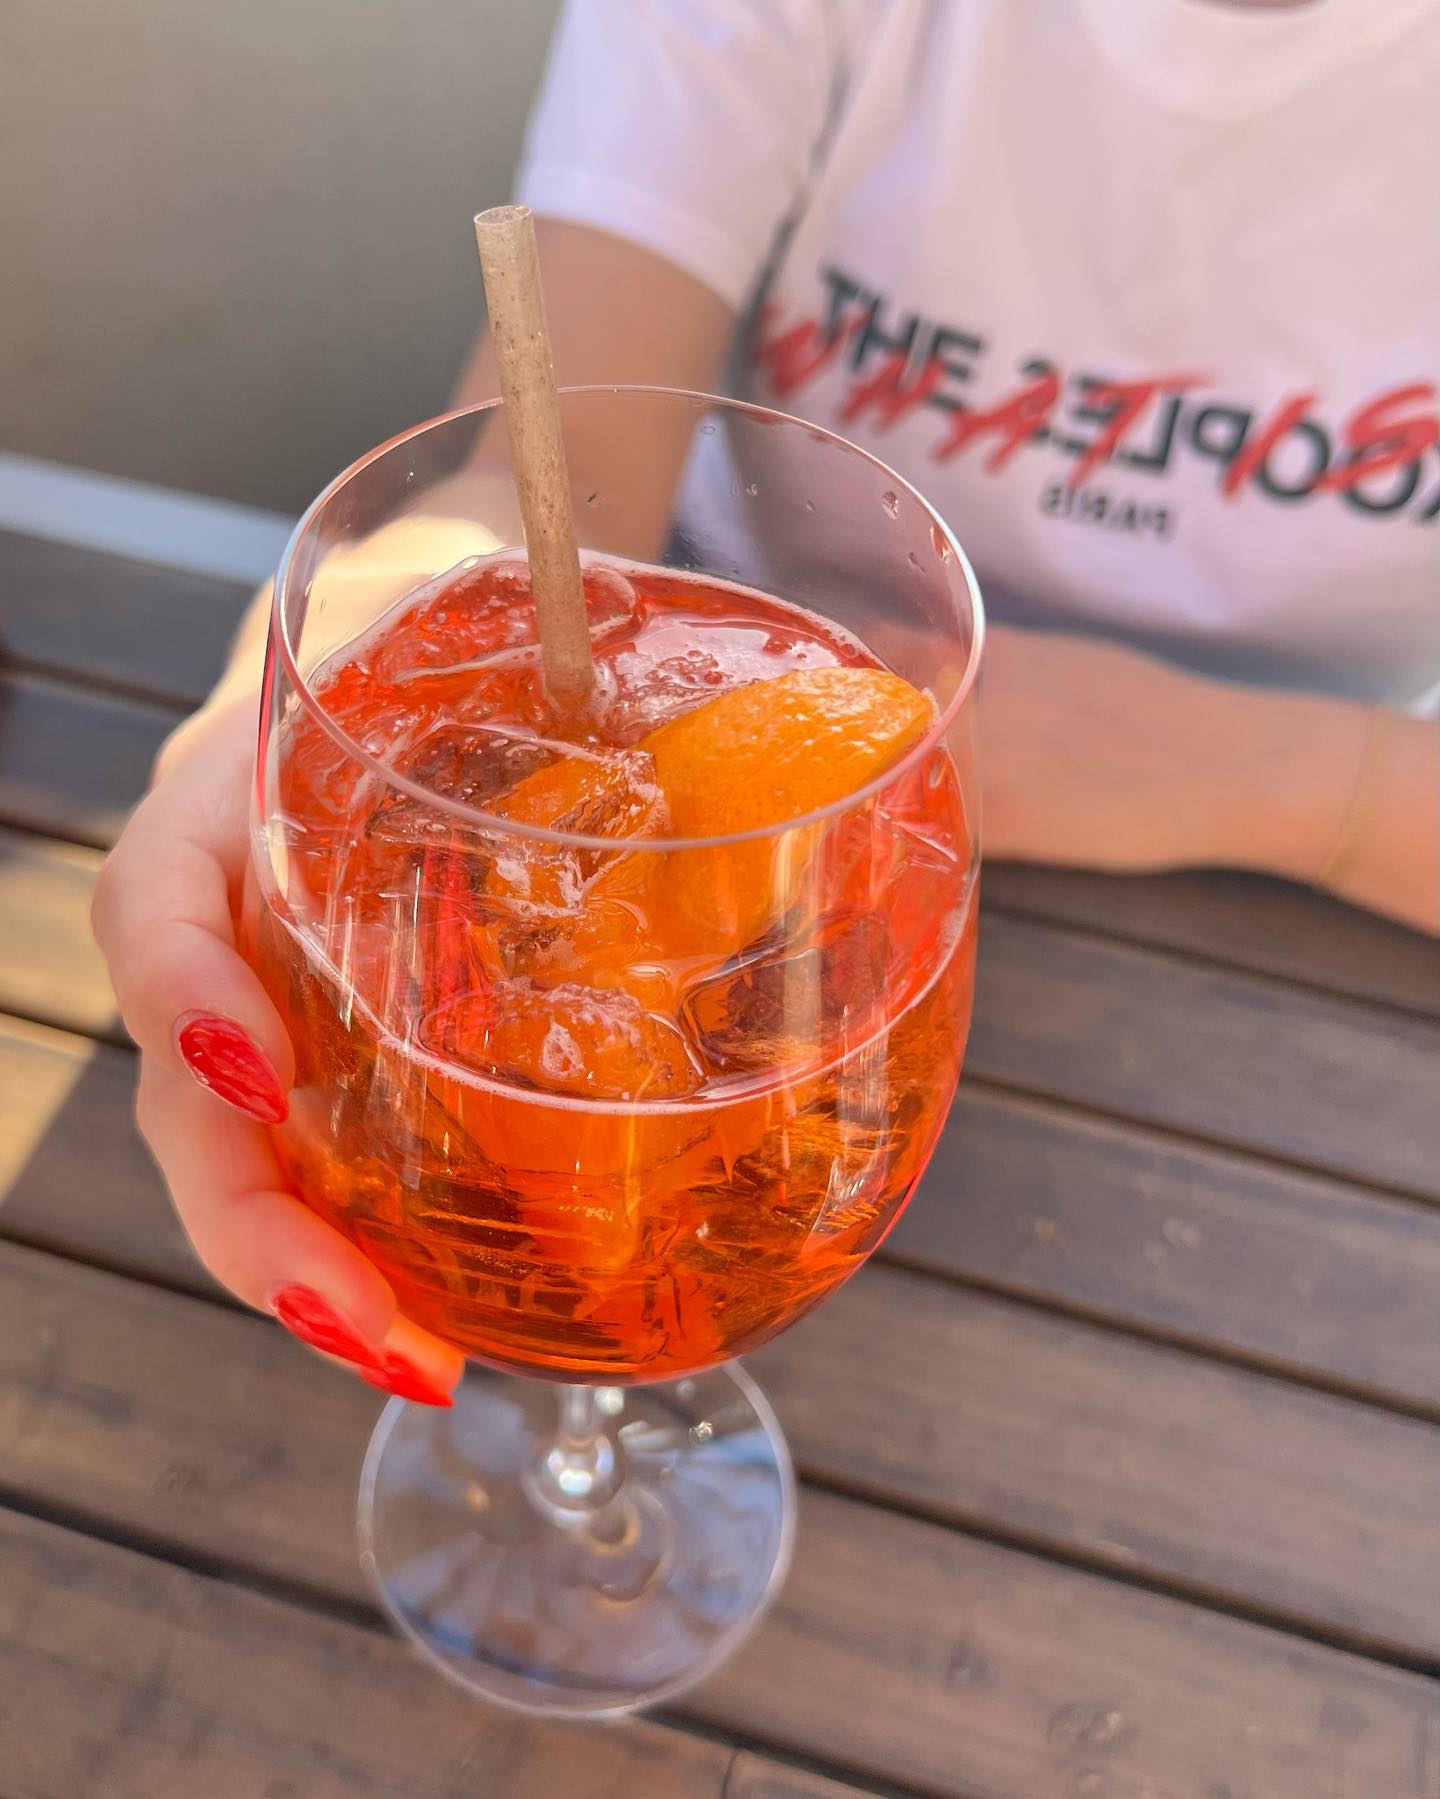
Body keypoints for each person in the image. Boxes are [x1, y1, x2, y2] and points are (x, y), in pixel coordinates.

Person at [92, 0, 1440, 1404]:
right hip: (705, 739)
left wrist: (1276, 777)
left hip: (1294, 963)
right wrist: (368, 637)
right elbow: (546, 477)